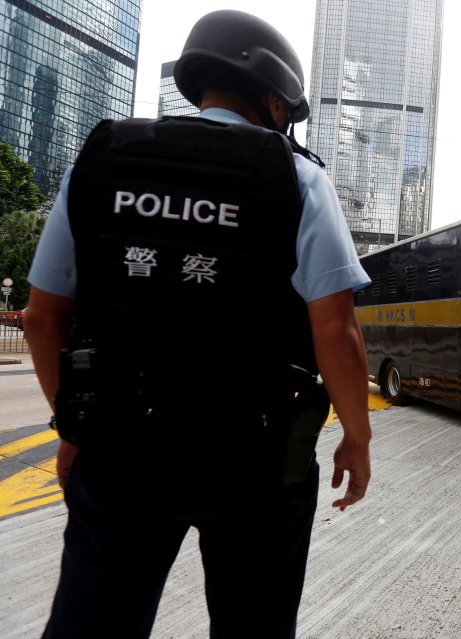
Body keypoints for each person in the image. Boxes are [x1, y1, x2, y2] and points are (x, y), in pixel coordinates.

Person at [24, 10, 372, 638]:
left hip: (121, 449)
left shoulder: (101, 163)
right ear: (271, 97)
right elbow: (336, 332)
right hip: (256, 462)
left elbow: (43, 320)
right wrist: (357, 436)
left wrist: (75, 427)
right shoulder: (300, 180)